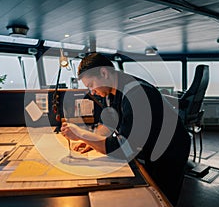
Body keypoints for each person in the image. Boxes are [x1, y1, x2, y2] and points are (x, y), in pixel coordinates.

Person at [61, 52, 190, 206]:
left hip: (170, 150)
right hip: (151, 146)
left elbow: (124, 149)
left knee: (162, 198)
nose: (92, 92)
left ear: (104, 73)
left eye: (91, 85)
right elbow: (108, 124)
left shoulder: (136, 95)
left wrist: (82, 135)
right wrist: (93, 141)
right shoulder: (113, 91)